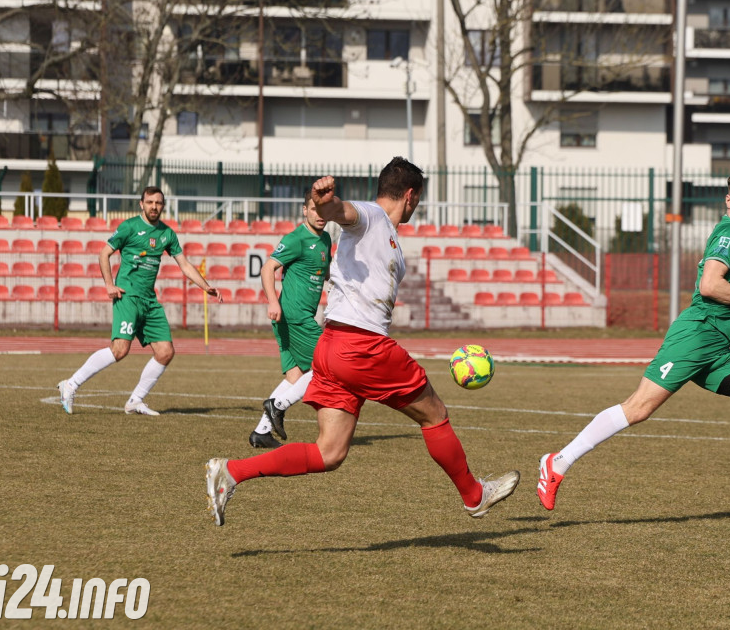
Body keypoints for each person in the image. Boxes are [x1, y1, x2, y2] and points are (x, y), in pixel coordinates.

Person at [206, 157, 520, 526]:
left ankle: (230, 472)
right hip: (361, 346)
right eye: (417, 199)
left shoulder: (389, 238)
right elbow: (343, 211)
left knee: (329, 452)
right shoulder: (372, 216)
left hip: (333, 347)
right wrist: (325, 202)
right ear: (410, 194)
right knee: (434, 414)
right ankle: (474, 495)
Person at [537, 170, 730, 513]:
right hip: (694, 339)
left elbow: (723, 300)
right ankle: (556, 464)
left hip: (717, 349)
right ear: (729, 200)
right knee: (638, 409)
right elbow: (710, 286)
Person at [57, 186, 222, 416]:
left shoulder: (167, 233)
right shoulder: (129, 227)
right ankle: (71, 385)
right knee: (120, 349)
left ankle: (135, 401)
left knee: (165, 351)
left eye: (158, 203)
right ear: (141, 204)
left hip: (149, 300)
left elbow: (183, 264)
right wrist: (109, 284)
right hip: (128, 296)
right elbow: (104, 253)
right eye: (150, 202)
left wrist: (206, 286)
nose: (154, 206)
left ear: (163, 206)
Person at [248, 190, 332, 448]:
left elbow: (325, 274)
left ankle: (261, 432)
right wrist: (273, 301)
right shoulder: (296, 238)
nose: (320, 215)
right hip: (293, 316)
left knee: (295, 376)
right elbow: (267, 268)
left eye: (324, 210)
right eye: (314, 209)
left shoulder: (326, 239)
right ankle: (277, 406)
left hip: (301, 316)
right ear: (304, 210)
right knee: (327, 366)